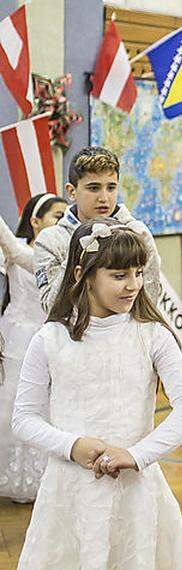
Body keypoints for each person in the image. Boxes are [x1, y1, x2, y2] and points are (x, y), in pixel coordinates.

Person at [10, 219, 182, 570]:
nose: (133, 284)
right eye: (120, 275)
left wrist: (136, 454)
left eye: (138, 272)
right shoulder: (51, 339)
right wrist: (72, 445)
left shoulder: (151, 334)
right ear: (82, 274)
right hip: (75, 497)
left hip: (134, 493)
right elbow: (25, 417)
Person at [34, 146, 162, 312]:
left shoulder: (138, 233)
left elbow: (149, 301)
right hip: (71, 335)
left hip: (125, 335)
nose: (104, 198)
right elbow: (50, 307)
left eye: (111, 188)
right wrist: (78, 251)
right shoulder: (50, 240)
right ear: (72, 191)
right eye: (93, 188)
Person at [0, 194, 65, 502]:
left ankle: (44, 479)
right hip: (16, 339)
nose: (63, 221)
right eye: (57, 216)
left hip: (49, 340)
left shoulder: (61, 258)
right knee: (11, 407)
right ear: (36, 221)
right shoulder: (18, 252)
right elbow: (10, 246)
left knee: (47, 409)